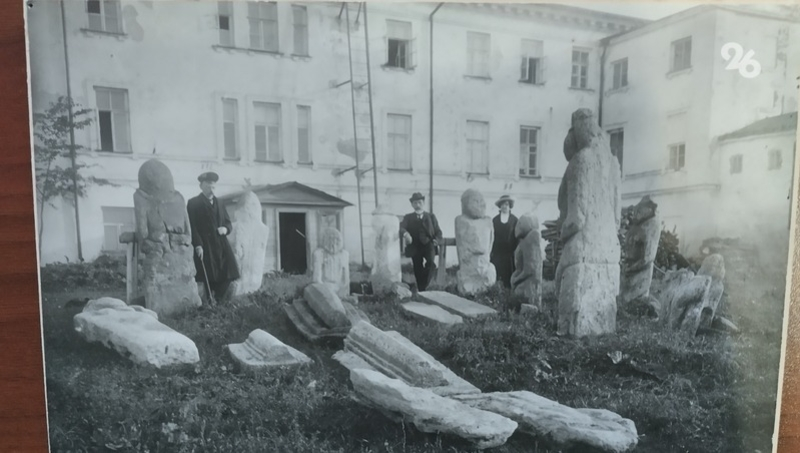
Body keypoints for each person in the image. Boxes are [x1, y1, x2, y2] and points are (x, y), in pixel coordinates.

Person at [187, 171, 240, 303]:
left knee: (229, 272)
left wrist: (226, 229)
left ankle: (219, 299)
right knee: (208, 275)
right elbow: (192, 226)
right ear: (201, 186)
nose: (211, 190)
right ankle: (209, 302)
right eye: (208, 186)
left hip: (221, 244)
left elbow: (228, 222)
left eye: (213, 187)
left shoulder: (220, 203)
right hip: (205, 246)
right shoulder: (193, 203)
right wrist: (198, 245)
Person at [400, 192, 442, 292]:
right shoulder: (408, 217)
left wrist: (437, 239)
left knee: (431, 264)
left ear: (423, 203)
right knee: (417, 267)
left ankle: (423, 286)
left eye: (419, 202)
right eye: (415, 203)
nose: (417, 205)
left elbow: (438, 231)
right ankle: (422, 290)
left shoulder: (431, 216)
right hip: (415, 246)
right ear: (412, 204)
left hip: (428, 244)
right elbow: (401, 227)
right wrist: (406, 234)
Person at [490, 194, 519, 288]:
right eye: (502, 204)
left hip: (509, 255)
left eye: (506, 204)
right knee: (498, 276)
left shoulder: (514, 220)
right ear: (500, 206)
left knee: (509, 276)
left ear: (510, 206)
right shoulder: (495, 220)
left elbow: (517, 237)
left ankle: (509, 294)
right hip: (497, 254)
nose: (504, 206)